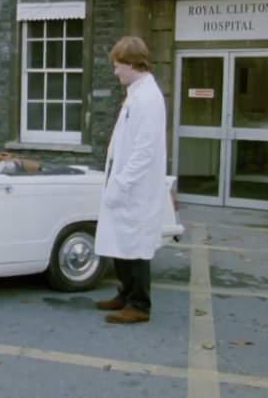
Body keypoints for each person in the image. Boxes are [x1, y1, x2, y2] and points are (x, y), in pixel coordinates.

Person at [95, 36, 166, 324]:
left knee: (135, 244)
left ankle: (139, 304)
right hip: (123, 180)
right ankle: (125, 294)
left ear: (131, 63)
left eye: (117, 66)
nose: (115, 72)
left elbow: (145, 151)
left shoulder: (148, 98)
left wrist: (123, 183)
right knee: (120, 240)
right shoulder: (136, 93)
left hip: (135, 186)